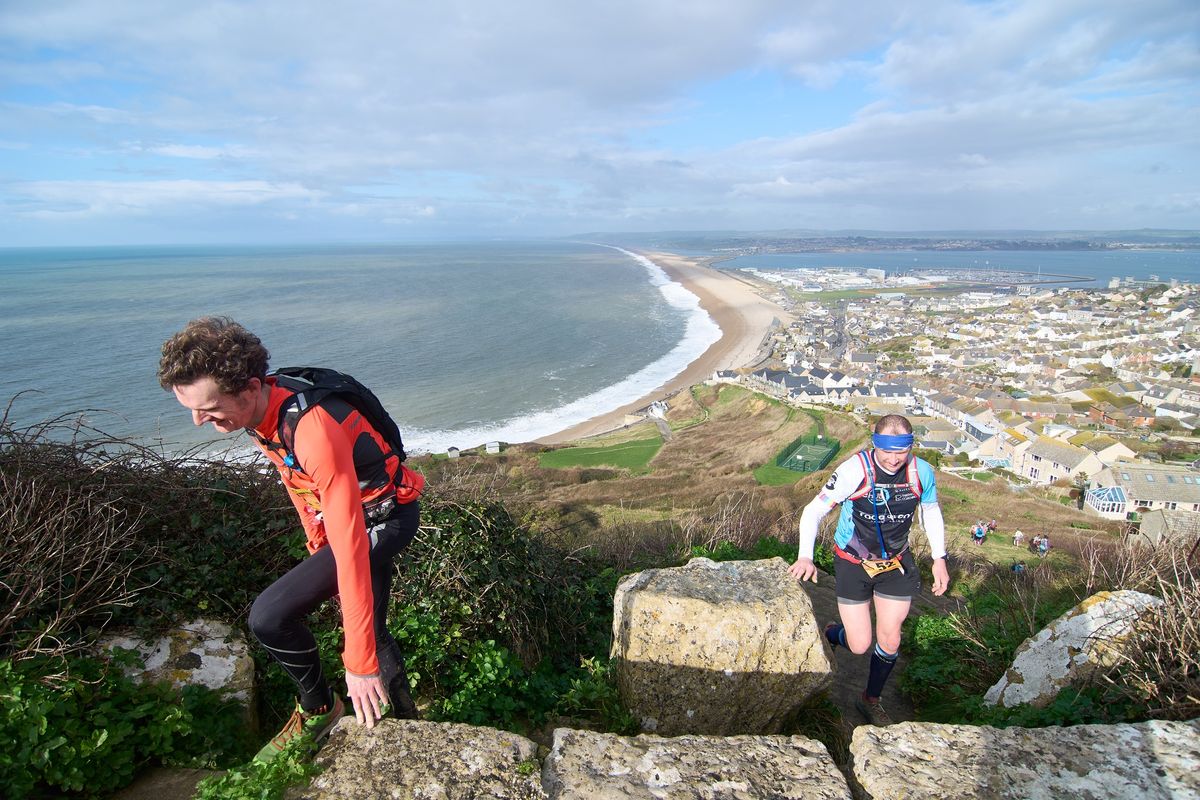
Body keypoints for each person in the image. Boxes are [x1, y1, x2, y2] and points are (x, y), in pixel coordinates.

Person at [158, 317, 425, 761]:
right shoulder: (265, 404)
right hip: (358, 516)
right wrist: (316, 540)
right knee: (373, 627)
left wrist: (356, 664)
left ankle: (323, 707)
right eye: (190, 408)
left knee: (269, 615)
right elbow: (294, 477)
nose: (198, 421)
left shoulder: (313, 427)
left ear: (247, 387)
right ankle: (402, 727)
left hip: (384, 519)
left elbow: (352, 548)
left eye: (207, 408)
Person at [789, 414, 949, 726]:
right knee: (860, 643)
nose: (893, 459)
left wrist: (939, 557)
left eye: (900, 451)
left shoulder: (921, 472)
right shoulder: (854, 471)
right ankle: (832, 633)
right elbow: (813, 511)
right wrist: (805, 556)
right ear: (875, 445)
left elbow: (931, 512)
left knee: (890, 639)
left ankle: (871, 699)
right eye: (886, 451)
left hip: (896, 562)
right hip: (853, 563)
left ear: (910, 447)